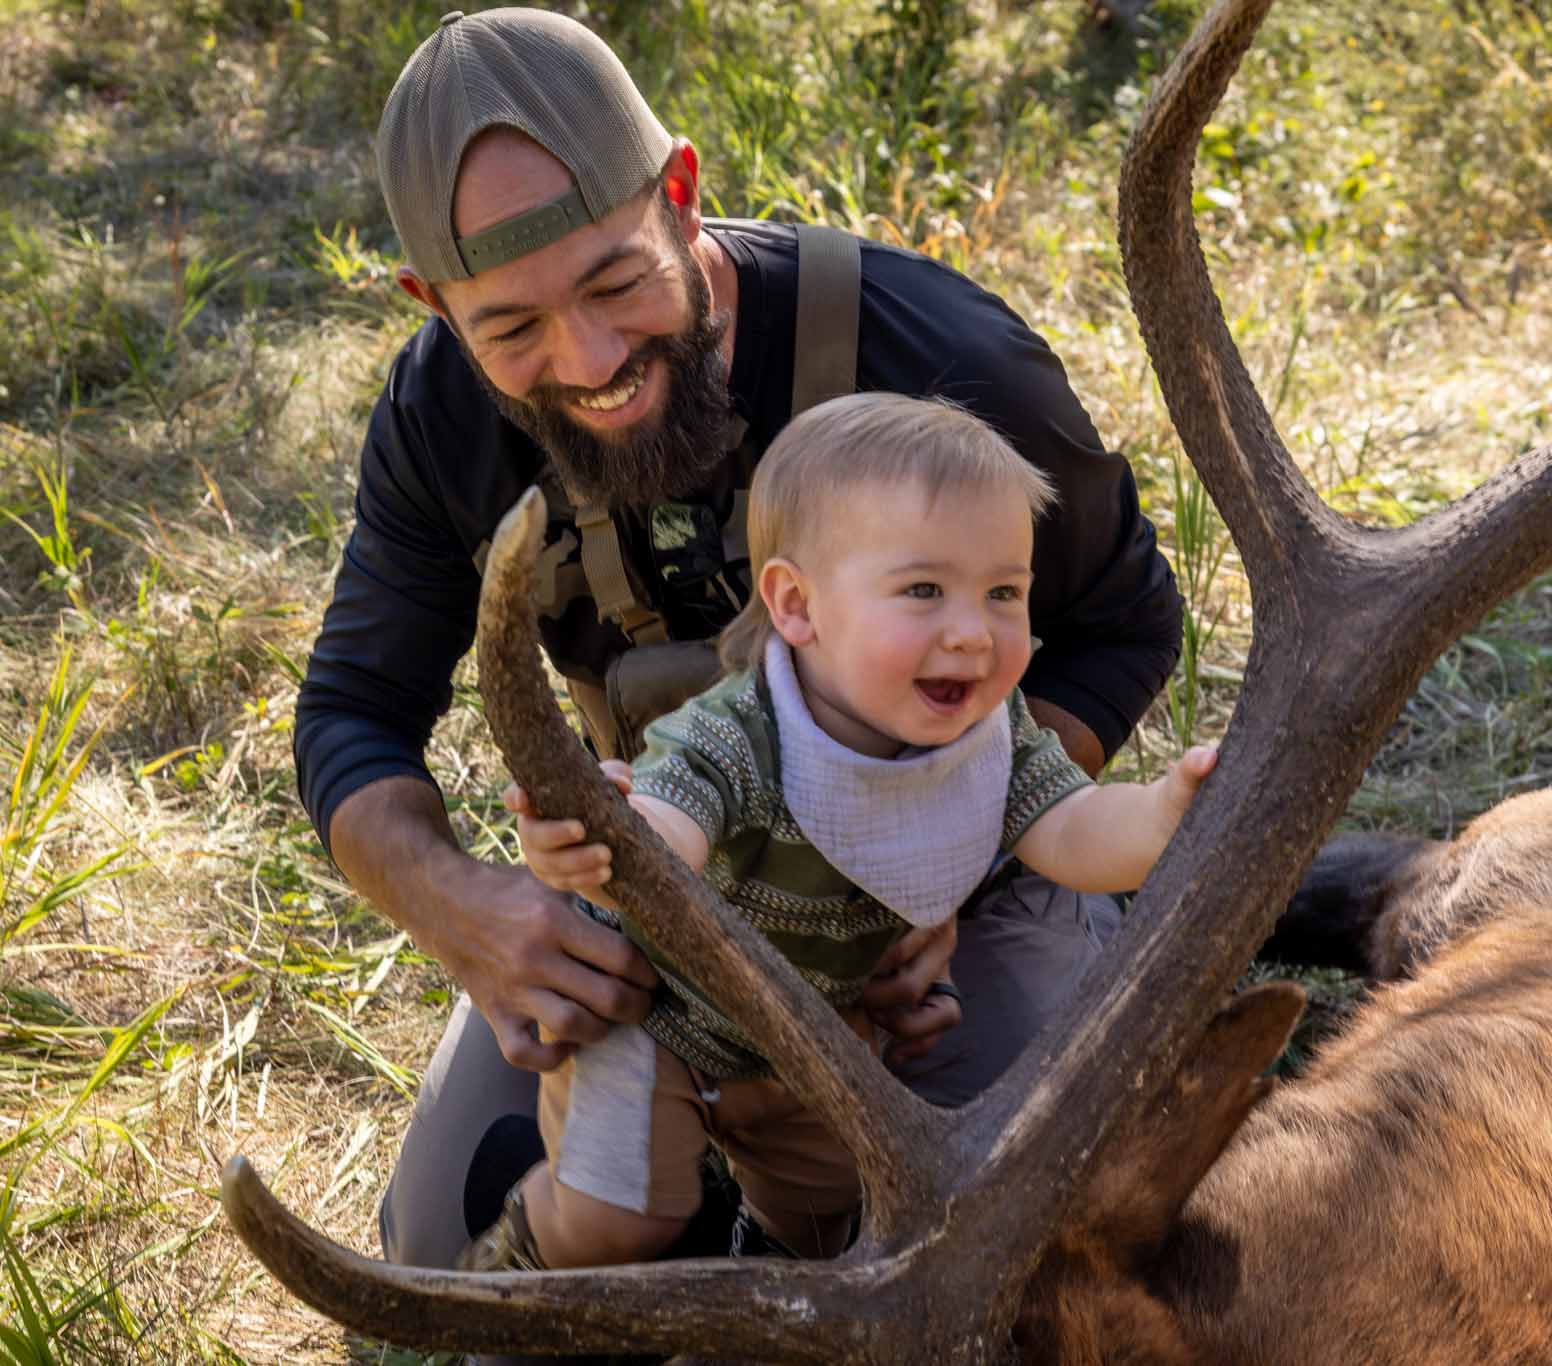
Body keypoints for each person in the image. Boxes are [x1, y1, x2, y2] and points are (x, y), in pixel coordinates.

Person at [289, 6, 1182, 1286]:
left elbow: (1126, 623)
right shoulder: (439, 415)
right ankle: (700, 1218)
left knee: (1022, 1239)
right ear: (433, 304)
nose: (589, 360)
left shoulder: (936, 359)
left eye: (615, 284)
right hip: (659, 905)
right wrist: (465, 910)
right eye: (512, 330)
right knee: (448, 1252)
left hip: (937, 887)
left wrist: (945, 852)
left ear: (681, 192)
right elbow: (352, 714)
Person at [468, 393, 1217, 1272]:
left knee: (825, 1229)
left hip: (810, 1042)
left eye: (1003, 593)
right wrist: (608, 836)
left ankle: (751, 1268)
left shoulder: (990, 739)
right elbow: (667, 837)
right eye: (924, 591)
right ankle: (517, 1262)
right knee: (618, 1222)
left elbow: (1074, 830)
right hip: (653, 1017)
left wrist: (1165, 814)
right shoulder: (742, 733)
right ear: (797, 606)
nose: (972, 633)